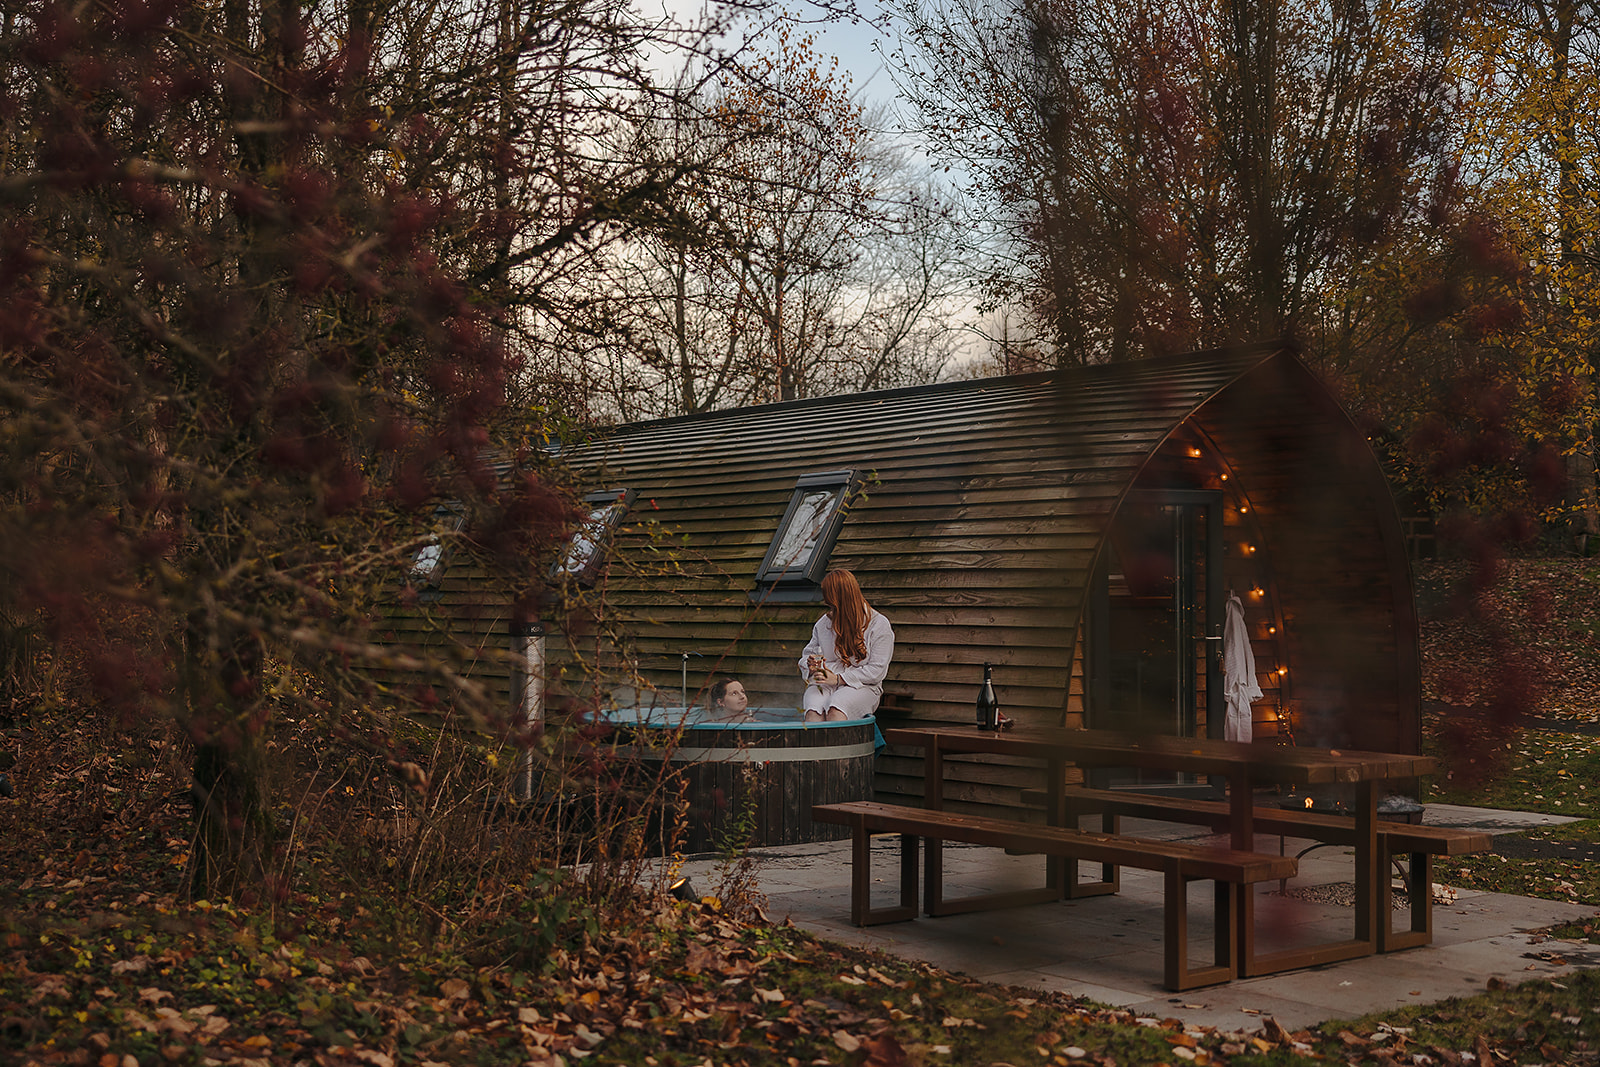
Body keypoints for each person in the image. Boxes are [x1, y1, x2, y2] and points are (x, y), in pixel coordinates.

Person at [799, 569, 894, 722]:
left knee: (836, 708)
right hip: (825, 683)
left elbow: (876, 671)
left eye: (833, 606)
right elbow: (806, 656)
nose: (830, 611)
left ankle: (839, 746)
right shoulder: (823, 623)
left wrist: (839, 679)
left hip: (862, 686)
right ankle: (815, 745)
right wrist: (810, 666)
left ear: (844, 601)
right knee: (813, 711)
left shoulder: (878, 625)